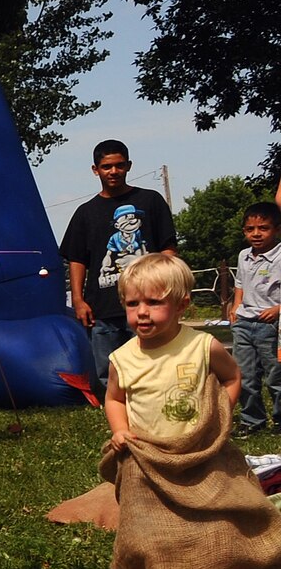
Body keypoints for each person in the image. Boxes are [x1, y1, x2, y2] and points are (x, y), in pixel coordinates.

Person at [59, 140, 176, 393]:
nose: (113, 171)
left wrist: (171, 287)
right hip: (103, 307)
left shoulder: (151, 200)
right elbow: (77, 259)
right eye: (106, 166)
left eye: (119, 165)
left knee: (152, 364)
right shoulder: (85, 213)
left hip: (148, 301)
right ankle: (114, 416)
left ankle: (151, 407)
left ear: (128, 166)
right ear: (95, 170)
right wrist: (78, 300)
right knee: (107, 370)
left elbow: (168, 250)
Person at [105, 253, 239, 453]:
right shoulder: (121, 359)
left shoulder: (202, 346)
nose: (142, 312)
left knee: (233, 485)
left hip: (199, 448)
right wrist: (120, 430)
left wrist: (220, 414)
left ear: (181, 305)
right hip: (147, 452)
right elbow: (114, 399)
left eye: (153, 302)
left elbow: (232, 377)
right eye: (133, 303)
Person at [225, 200, 281, 437]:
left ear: (276, 230)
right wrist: (236, 305)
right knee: (244, 374)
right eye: (250, 229)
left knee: (275, 375)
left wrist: (278, 309)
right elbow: (240, 284)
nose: (256, 234)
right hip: (245, 323)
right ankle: (252, 420)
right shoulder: (243, 256)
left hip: (271, 324)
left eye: (263, 228)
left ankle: (279, 420)